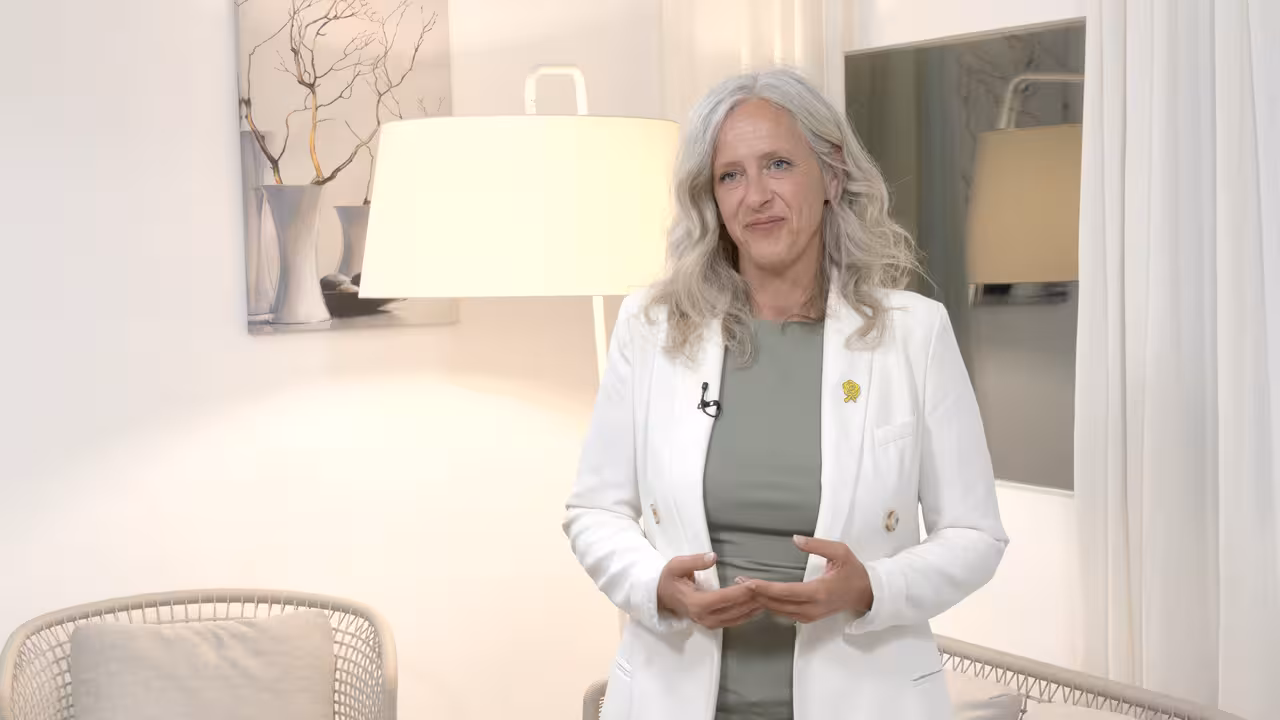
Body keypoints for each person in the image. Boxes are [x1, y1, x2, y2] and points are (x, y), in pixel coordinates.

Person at [563, 68, 1007, 720]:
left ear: (831, 175)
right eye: (730, 175)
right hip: (672, 698)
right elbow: (594, 511)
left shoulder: (915, 334)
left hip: (865, 701)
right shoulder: (651, 327)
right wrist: (657, 585)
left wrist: (872, 587)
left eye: (778, 164)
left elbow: (974, 534)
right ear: (712, 199)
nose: (756, 196)